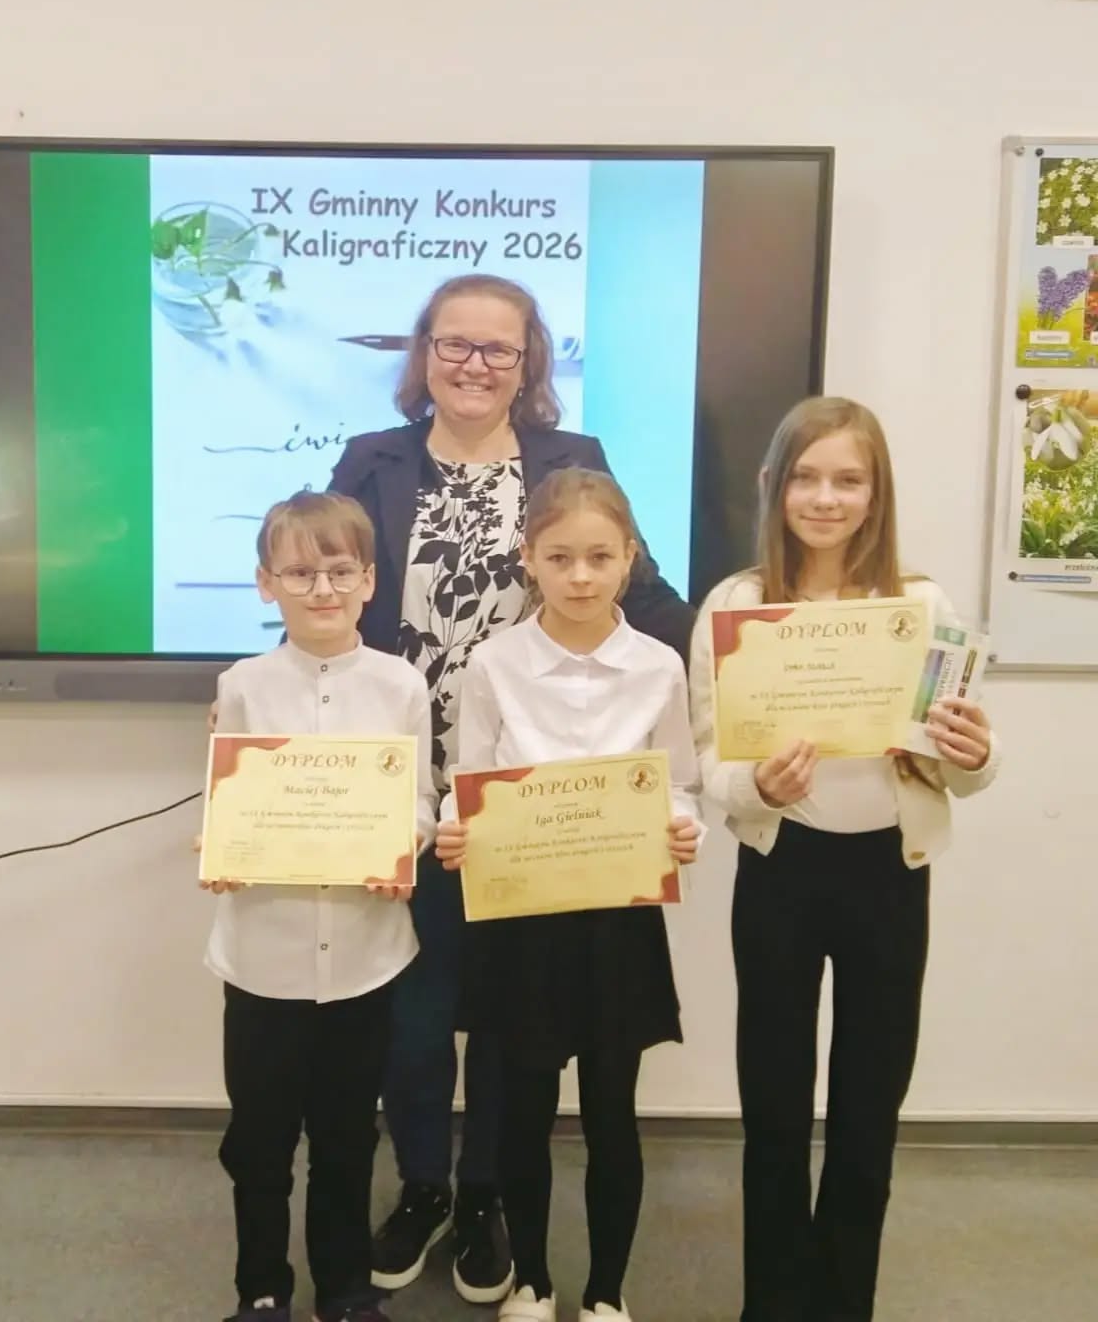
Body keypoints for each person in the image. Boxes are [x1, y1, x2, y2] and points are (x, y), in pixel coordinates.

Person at [327, 273, 694, 1302]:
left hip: (537, 814)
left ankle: (487, 1192)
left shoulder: (573, 463)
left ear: (529, 361)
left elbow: (649, 599)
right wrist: (265, 707)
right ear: (424, 352)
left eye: (499, 347)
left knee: (501, 1021)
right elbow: (326, 588)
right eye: (455, 343)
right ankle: (425, 1186)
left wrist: (753, 668)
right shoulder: (371, 461)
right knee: (413, 1015)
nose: (475, 364)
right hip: (409, 792)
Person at [689, 398, 999, 1322]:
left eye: (848, 480)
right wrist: (759, 786)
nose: (826, 498)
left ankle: (842, 1302)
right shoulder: (735, 605)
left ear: (876, 494)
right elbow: (709, 758)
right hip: (781, 870)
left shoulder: (921, 607)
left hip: (889, 877)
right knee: (774, 1105)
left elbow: (960, 764)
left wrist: (974, 755)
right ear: (773, 486)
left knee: (869, 1108)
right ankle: (773, 1304)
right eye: (807, 477)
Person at [435, 467, 702, 1322]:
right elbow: (469, 778)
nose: (580, 576)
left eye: (599, 557)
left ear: (629, 558)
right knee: (524, 1108)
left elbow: (679, 782)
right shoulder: (494, 663)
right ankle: (533, 1281)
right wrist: (455, 829)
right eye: (559, 558)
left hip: (618, 918)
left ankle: (607, 1291)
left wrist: (681, 826)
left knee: (614, 1112)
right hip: (522, 917)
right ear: (529, 559)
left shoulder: (659, 666)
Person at [202, 491, 436, 1322]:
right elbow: (228, 802)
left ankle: (344, 1287)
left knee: (346, 1137)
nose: (323, 589)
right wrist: (224, 849)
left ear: (370, 580)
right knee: (259, 1141)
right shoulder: (243, 686)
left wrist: (404, 847)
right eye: (300, 573)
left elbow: (420, 800)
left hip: (367, 960)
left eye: (340, 570)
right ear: (266, 584)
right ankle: (262, 1286)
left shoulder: (401, 685)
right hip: (262, 958)